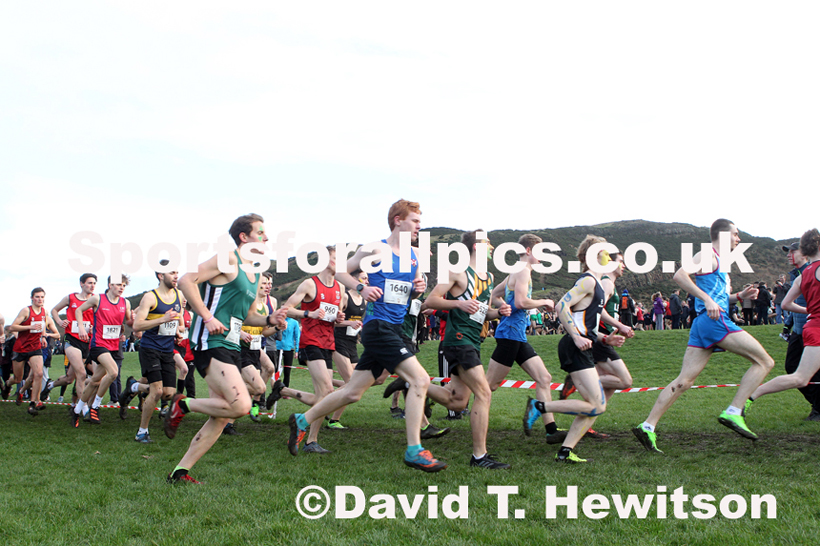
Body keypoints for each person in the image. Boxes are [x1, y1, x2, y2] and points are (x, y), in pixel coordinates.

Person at [286, 199, 447, 472]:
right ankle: (414, 449)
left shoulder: (415, 255)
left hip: (396, 326)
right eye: (415, 220)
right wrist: (361, 289)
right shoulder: (376, 249)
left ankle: (302, 420)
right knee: (419, 379)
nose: (420, 226)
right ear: (398, 220)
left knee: (351, 393)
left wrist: (418, 287)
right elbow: (340, 272)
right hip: (378, 327)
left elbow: (412, 289)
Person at [163, 213, 287, 484]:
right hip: (209, 341)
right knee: (241, 405)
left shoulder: (254, 273)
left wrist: (270, 320)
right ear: (244, 237)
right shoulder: (229, 258)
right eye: (260, 233)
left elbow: (249, 315)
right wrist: (207, 316)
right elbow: (186, 281)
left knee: (222, 415)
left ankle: (180, 471)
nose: (266, 238)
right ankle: (182, 403)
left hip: (231, 344)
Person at [632, 219, 774, 453]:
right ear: (723, 234)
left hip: (703, 323)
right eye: (736, 234)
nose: (738, 239)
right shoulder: (708, 254)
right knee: (765, 361)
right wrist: (706, 300)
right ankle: (734, 411)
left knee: (685, 381)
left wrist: (739, 296)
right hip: (714, 322)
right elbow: (679, 275)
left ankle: (647, 426)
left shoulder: (719, 262)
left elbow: (717, 297)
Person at [526, 237, 633, 463]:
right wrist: (575, 336)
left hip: (584, 343)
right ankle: (539, 406)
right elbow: (560, 305)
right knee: (596, 405)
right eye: (605, 252)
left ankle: (565, 452)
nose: (610, 256)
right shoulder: (588, 282)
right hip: (575, 345)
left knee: (594, 406)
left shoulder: (595, 283)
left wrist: (605, 339)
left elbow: (585, 321)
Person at [417, 230, 512, 469]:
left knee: (457, 402)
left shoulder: (489, 277)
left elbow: (483, 312)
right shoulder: (457, 271)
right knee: (484, 393)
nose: (492, 248)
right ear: (476, 247)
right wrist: (458, 302)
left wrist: (498, 313)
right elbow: (431, 300)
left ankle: (414, 384)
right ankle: (479, 456)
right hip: (458, 340)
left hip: (474, 339)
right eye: (488, 243)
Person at [486, 234, 566, 445]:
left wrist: (502, 306)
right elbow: (520, 301)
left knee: (544, 378)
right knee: (488, 386)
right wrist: (545, 301)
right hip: (510, 335)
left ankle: (551, 430)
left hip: (517, 335)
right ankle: (446, 396)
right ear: (529, 251)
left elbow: (495, 294)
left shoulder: (518, 270)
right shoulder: (522, 271)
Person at [744, 229, 820, 417]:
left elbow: (786, 304)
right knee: (800, 378)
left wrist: (810, 310)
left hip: (811, 326)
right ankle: (751, 395)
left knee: (801, 378)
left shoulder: (802, 275)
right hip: (818, 329)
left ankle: (751, 396)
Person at [123, 264, 183, 443]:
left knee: (168, 393)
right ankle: (142, 432)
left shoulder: (178, 295)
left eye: (177, 272)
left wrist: (177, 332)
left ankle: (134, 386)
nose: (175, 276)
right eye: (172, 273)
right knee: (156, 391)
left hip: (167, 349)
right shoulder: (150, 297)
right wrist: (161, 319)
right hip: (150, 348)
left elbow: (176, 318)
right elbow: (137, 326)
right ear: (160, 275)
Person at [73, 276, 135, 426]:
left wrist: (134, 319)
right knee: (113, 373)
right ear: (110, 284)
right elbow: (79, 310)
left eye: (124, 285)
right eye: (118, 285)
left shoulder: (125, 302)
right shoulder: (97, 299)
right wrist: (81, 327)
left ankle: (76, 411)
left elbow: (129, 322)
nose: (121, 288)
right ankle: (95, 406)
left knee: (94, 381)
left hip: (114, 346)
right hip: (98, 344)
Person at [42, 274, 98, 407]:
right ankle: (83, 408)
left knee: (69, 378)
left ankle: (50, 385)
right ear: (82, 284)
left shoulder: (95, 300)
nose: (92, 286)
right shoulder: (71, 297)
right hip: (72, 339)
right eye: (89, 283)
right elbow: (54, 310)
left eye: (94, 283)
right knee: (82, 374)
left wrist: (92, 327)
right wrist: (60, 321)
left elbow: (98, 319)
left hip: (86, 341)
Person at [8, 287, 61, 414]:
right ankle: (7, 385)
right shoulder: (26, 311)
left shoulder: (44, 312)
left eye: (42, 297)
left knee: (39, 374)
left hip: (35, 347)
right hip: (20, 348)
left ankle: (34, 403)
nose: (40, 299)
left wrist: (43, 336)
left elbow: (42, 325)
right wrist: (29, 326)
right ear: (32, 298)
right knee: (18, 378)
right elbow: (12, 327)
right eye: (37, 297)